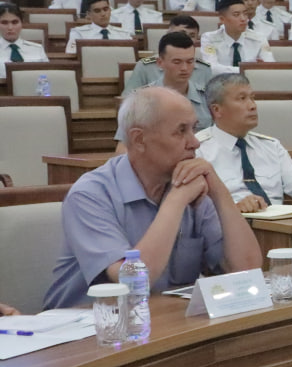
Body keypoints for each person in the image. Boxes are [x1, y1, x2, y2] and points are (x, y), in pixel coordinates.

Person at [44, 87, 262, 309]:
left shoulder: (190, 183)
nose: (195, 142)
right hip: (89, 323)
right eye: (181, 131)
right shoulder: (90, 194)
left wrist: (219, 192)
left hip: (164, 319)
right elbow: (133, 282)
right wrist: (176, 201)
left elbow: (248, 271)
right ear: (139, 139)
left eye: (194, 129)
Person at [195, 74, 292, 212]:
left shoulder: (270, 146)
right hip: (229, 222)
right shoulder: (199, 150)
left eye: (252, 98)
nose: (252, 106)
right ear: (217, 110)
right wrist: (233, 207)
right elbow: (198, 204)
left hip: (277, 221)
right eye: (242, 99)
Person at [113, 32, 212, 152]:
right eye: (177, 62)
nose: (184, 68)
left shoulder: (208, 98)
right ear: (160, 63)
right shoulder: (140, 101)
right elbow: (123, 148)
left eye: (190, 62)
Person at [123, 17, 210, 94]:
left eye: (192, 36)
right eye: (180, 33)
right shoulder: (146, 66)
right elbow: (128, 99)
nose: (186, 38)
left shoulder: (204, 69)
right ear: (168, 33)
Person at [200, 0, 274, 75]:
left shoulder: (259, 38)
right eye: (236, 15)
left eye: (245, 14)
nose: (243, 19)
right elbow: (211, 68)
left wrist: (254, 69)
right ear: (222, 19)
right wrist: (250, 69)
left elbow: (270, 66)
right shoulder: (209, 38)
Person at [65, 0, 132, 53]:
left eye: (105, 9)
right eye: (97, 11)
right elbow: (71, 54)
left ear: (110, 10)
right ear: (89, 14)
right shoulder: (79, 33)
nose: (103, 14)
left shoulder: (124, 34)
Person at [0, 3, 48, 78]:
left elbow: (47, 77)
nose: (10, 27)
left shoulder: (37, 49)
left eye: (15, 22)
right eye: (4, 23)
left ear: (22, 23)